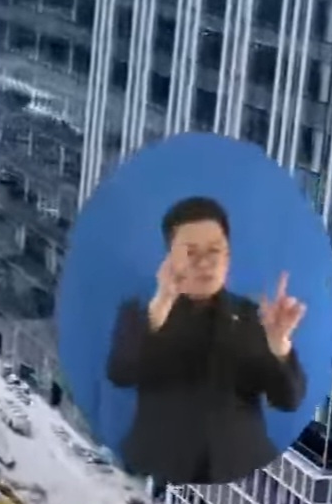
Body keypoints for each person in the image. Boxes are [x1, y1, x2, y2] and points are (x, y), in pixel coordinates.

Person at [104, 195, 308, 485]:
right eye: (191, 252)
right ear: (169, 257)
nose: (205, 264)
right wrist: (161, 304)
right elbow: (121, 373)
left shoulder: (253, 317)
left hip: (237, 480)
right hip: (160, 473)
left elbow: (288, 400)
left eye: (215, 251)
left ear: (228, 257)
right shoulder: (142, 310)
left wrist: (279, 343)